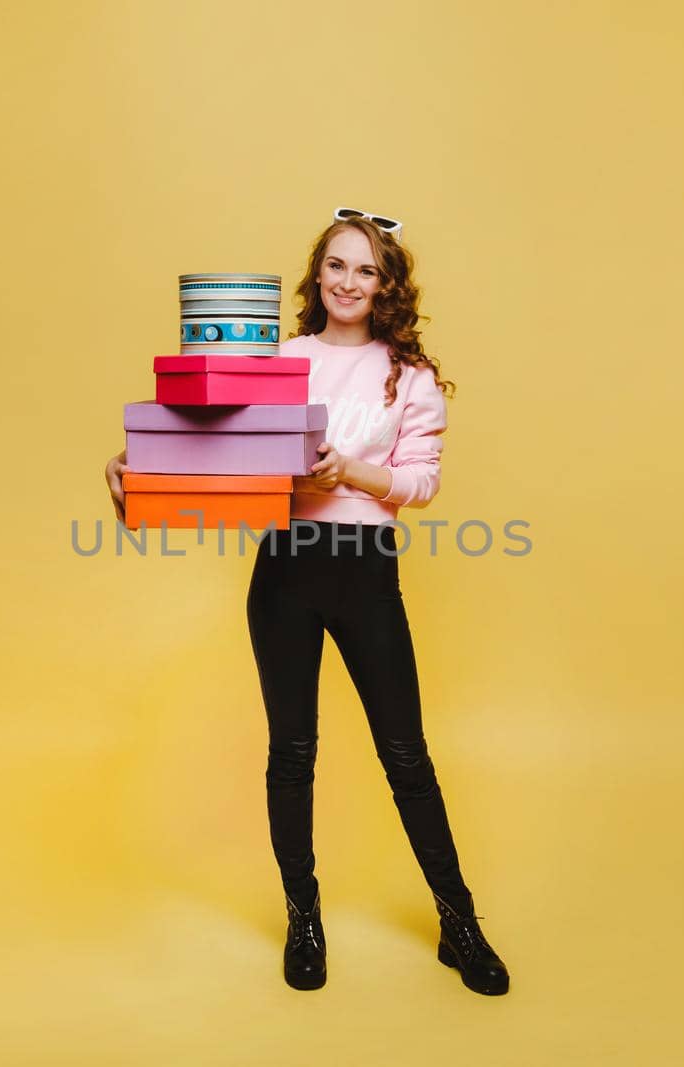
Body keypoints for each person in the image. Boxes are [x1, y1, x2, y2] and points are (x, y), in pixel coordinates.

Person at [104, 211, 509, 996]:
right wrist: (136, 468)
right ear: (315, 274)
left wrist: (348, 471)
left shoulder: (409, 375)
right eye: (336, 265)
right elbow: (212, 451)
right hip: (285, 570)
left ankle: (459, 923)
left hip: (366, 571)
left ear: (386, 285)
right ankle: (305, 917)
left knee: (406, 756)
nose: (348, 282)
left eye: (366, 270)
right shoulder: (278, 359)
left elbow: (421, 483)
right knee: (292, 754)